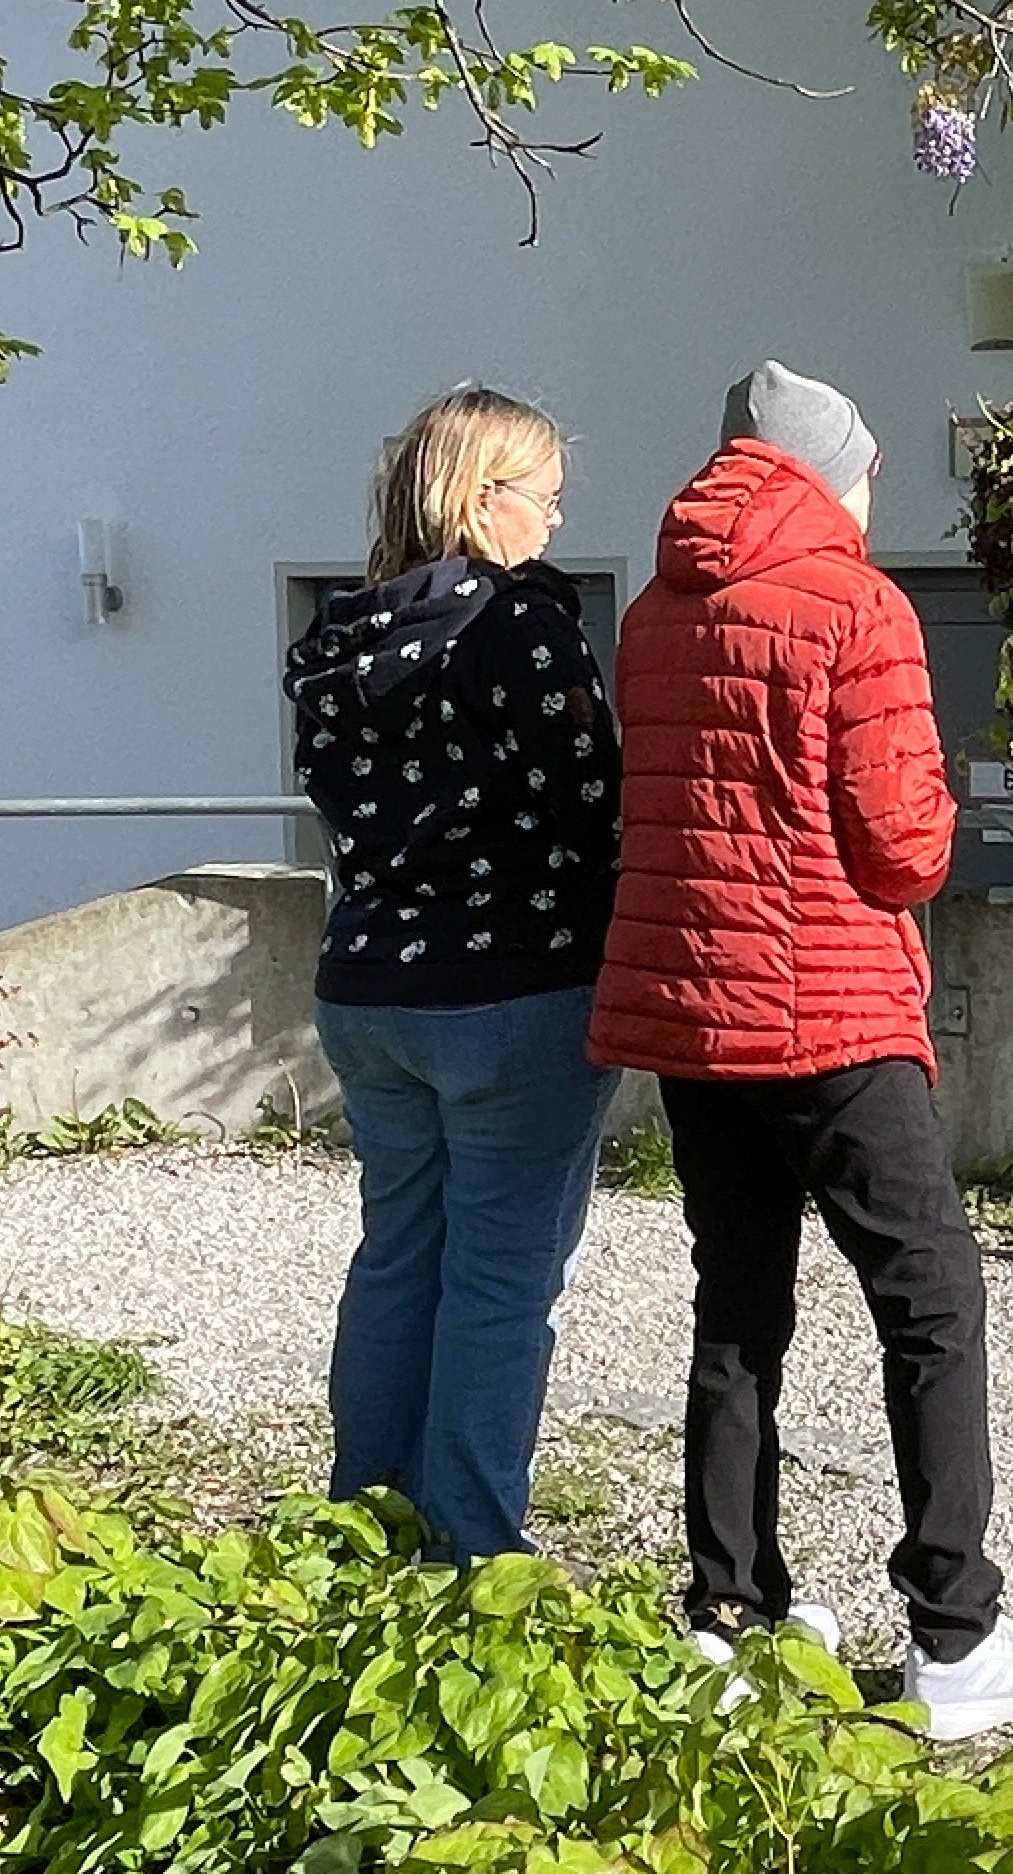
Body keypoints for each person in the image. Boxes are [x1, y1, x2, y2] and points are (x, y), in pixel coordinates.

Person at [589, 360, 1013, 1741]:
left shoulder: (651, 612)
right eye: (870, 469)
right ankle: (955, 1631)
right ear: (830, 470)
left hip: (696, 1019)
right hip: (831, 1015)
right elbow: (904, 846)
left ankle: (730, 1609)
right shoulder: (858, 604)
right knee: (931, 1301)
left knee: (739, 1304)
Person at [285, 385, 621, 1564]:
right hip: (510, 988)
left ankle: (365, 1526)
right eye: (547, 496)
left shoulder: (339, 637)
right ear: (487, 497)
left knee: (398, 1258)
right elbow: (593, 799)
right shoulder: (519, 622)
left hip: (369, 985)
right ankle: (471, 1555)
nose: (556, 522)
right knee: (499, 1280)